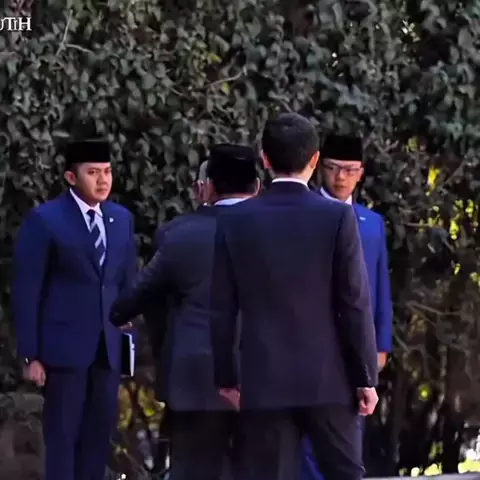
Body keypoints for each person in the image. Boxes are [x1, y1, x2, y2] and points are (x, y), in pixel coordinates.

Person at [209, 113, 379, 480]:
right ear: (315, 159)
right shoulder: (337, 217)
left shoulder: (235, 220)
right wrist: (365, 376)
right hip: (330, 378)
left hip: (264, 379)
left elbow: (222, 306)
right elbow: (354, 302)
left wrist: (227, 377)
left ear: (265, 159)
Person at [109, 144, 260, 480]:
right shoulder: (282, 235)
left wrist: (165, 347)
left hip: (195, 379)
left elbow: (137, 299)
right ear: (258, 186)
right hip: (265, 379)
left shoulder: (180, 235)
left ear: (209, 188)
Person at [12, 139, 137, 480]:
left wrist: (129, 335)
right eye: (93, 173)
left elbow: (127, 283)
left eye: (107, 172)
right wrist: (31, 354)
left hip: (108, 351)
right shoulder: (46, 220)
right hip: (63, 353)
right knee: (63, 441)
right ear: (71, 177)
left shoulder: (121, 219)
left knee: (97, 442)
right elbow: (27, 290)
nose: (103, 180)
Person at [301, 134, 394, 480]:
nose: (341, 177)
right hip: (310, 341)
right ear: (319, 167)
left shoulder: (372, 223)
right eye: (333, 168)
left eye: (350, 170)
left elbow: (380, 287)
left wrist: (381, 344)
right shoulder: (304, 213)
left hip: (356, 344)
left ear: (361, 172)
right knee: (308, 440)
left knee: (350, 436)